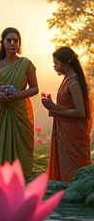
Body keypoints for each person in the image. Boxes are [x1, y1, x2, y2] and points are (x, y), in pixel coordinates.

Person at [0, 27, 39, 177]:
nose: (12, 43)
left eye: (16, 40)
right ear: (3, 43)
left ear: (19, 44)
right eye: (9, 40)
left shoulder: (26, 64)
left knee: (22, 144)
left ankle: (22, 178)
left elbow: (34, 89)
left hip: (19, 109)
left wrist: (17, 95)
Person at [41, 46, 93, 182]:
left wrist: (56, 108)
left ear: (65, 63)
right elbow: (67, 107)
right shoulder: (66, 80)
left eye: (56, 63)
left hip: (74, 134)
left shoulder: (74, 83)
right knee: (64, 165)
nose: (54, 66)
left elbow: (80, 112)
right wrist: (53, 108)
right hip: (65, 132)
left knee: (75, 168)